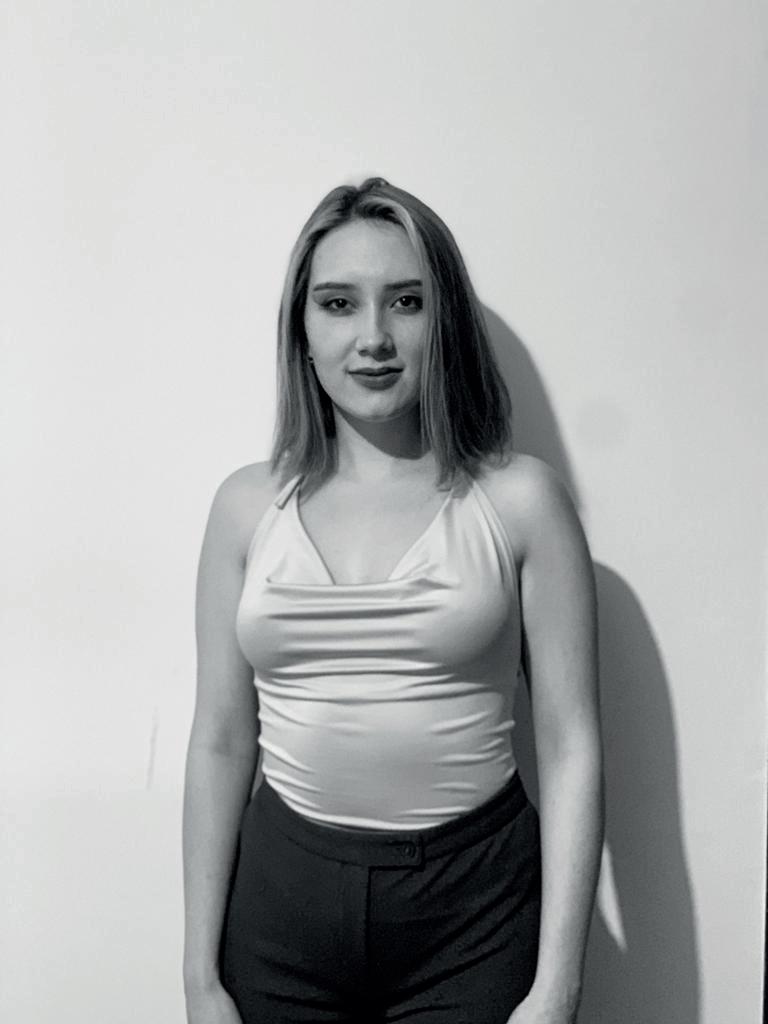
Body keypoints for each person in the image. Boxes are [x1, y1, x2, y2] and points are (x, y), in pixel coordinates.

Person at [182, 177, 604, 1024]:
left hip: (474, 914)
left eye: (406, 302)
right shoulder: (244, 507)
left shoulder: (520, 501)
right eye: (338, 303)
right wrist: (200, 978)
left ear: (444, 321)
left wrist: (557, 988)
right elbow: (222, 740)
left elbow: (570, 744)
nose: (372, 337)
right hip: (280, 904)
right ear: (301, 329)